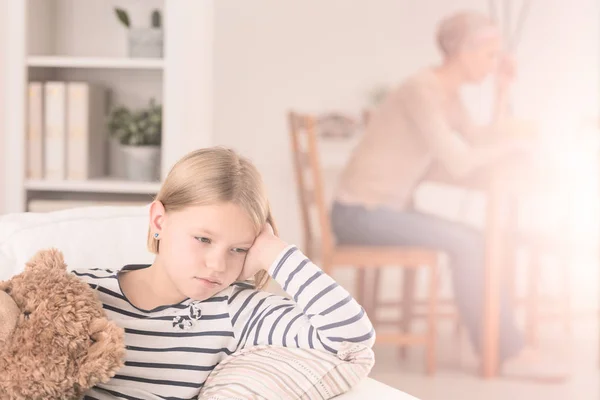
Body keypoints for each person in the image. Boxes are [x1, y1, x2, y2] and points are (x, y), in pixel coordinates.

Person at [331, 11, 562, 379]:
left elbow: (478, 138)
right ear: (464, 51)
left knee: (479, 238)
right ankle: (504, 351)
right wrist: (513, 150)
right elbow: (459, 161)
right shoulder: (422, 89)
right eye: (490, 55)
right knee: (470, 242)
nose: (494, 64)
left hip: (384, 211)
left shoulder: (447, 95)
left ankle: (504, 345)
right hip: (361, 213)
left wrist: (502, 93)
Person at [73, 147, 375, 399]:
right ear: (159, 221)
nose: (218, 265)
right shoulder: (79, 292)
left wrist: (275, 254)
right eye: (203, 239)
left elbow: (352, 339)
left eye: (239, 249)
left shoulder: (234, 311)